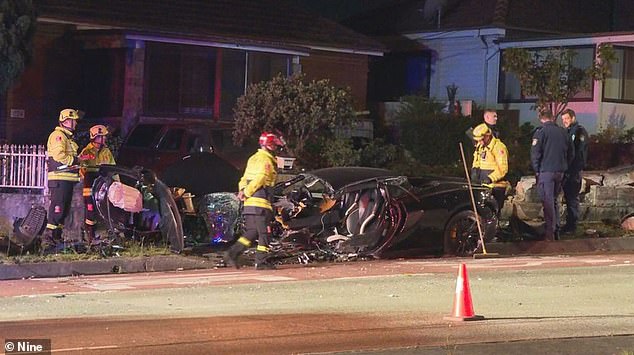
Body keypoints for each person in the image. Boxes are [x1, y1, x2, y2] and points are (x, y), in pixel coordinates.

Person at [223, 132, 286, 270]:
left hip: (250, 204)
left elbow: (244, 178)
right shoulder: (266, 160)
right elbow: (261, 178)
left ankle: (232, 253)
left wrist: (243, 191)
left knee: (252, 231)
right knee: (265, 233)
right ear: (270, 145)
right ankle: (261, 261)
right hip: (260, 203)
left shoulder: (253, 158)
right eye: (274, 145)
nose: (276, 147)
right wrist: (247, 192)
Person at [41, 108, 89, 254]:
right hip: (59, 179)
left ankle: (56, 239)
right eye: (73, 121)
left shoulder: (68, 138)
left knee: (64, 212)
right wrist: (76, 160)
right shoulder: (58, 136)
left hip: (66, 180)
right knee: (58, 210)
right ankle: (48, 240)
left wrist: (79, 161)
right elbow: (59, 155)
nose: (75, 124)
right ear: (66, 121)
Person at [530, 111, 573, 241]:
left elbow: (535, 153)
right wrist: (565, 166)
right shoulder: (563, 132)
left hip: (546, 172)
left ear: (541, 119)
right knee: (554, 201)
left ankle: (550, 233)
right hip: (560, 171)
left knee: (548, 202)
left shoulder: (541, 132)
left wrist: (537, 170)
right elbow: (571, 152)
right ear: (552, 118)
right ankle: (556, 229)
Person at [79, 125, 116, 247]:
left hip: (103, 183)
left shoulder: (106, 151)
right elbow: (81, 169)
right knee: (90, 210)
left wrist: (117, 183)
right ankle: (90, 236)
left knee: (106, 209)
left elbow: (113, 168)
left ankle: (110, 233)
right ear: (96, 137)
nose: (104, 139)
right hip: (89, 184)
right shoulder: (86, 151)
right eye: (102, 137)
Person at [470, 123, 510, 212]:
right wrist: (474, 170)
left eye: (481, 139)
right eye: (478, 140)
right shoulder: (481, 146)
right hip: (483, 186)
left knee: (493, 213)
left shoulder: (499, 147)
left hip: (496, 187)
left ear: (488, 136)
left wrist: (490, 178)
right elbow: (477, 160)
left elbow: (503, 169)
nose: (480, 142)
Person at [560, 109, 588, 234]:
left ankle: (572, 226)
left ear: (573, 118)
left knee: (572, 199)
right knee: (568, 198)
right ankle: (569, 224)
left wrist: (572, 168)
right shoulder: (568, 131)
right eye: (563, 119)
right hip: (568, 171)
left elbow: (578, 153)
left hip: (574, 171)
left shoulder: (579, 131)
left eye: (566, 118)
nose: (564, 121)